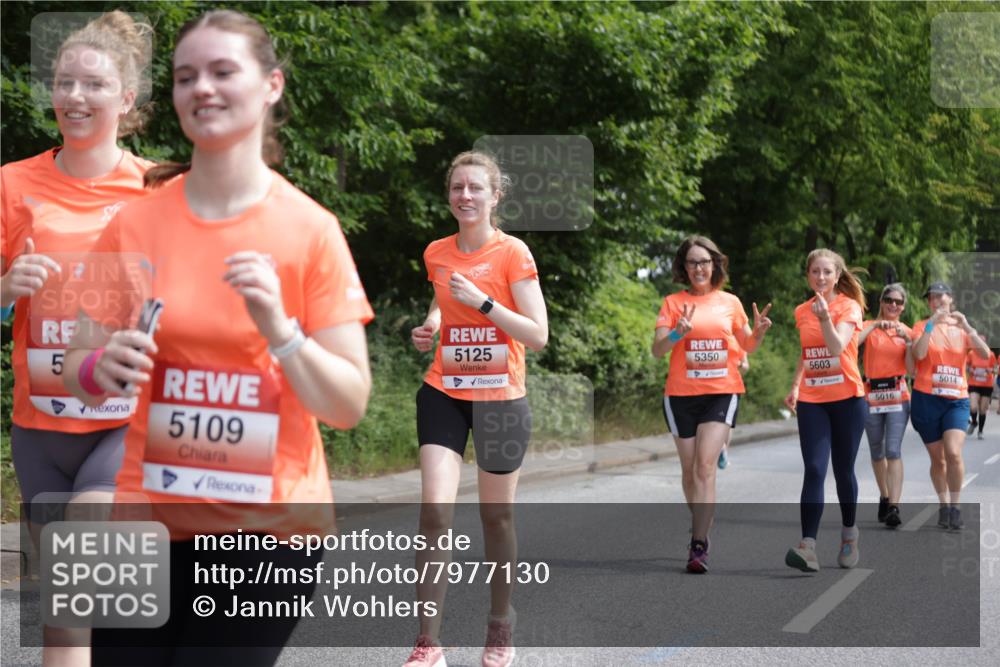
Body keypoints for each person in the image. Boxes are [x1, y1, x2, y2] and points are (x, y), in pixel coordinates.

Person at [62, 10, 373, 665]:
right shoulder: (135, 224)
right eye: (184, 76)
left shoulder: (309, 231)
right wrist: (101, 366)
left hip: (267, 533)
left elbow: (347, 404)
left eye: (222, 71)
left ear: (271, 86)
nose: (201, 87)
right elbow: (72, 375)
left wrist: (282, 333)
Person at [0, 11, 153, 666]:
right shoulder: (12, 184)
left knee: (80, 564)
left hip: (126, 424)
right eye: (63, 82)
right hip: (39, 429)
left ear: (126, 98)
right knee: (66, 624)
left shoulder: (160, 188)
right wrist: (6, 288)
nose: (74, 97)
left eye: (93, 84)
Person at [406, 151, 548, 667]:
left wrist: (485, 303)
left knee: (496, 520)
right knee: (433, 515)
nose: (465, 196)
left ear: (495, 196)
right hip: (444, 390)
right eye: (457, 187)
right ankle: (428, 643)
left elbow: (537, 334)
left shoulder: (513, 254)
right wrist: (432, 328)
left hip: (500, 400)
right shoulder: (437, 252)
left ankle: (500, 623)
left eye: (475, 188)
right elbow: (444, 301)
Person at [652, 235, 772, 573]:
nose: (698, 268)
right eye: (692, 262)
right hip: (680, 396)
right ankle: (701, 521)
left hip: (721, 391)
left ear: (715, 265)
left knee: (705, 466)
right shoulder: (673, 303)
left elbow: (747, 345)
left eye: (704, 262)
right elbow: (658, 350)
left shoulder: (730, 303)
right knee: (689, 471)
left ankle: (699, 544)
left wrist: (759, 332)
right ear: (684, 267)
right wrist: (677, 332)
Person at [784, 248, 867, 572]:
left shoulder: (849, 306)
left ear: (837, 276)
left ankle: (849, 534)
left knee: (843, 470)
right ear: (808, 275)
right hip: (812, 400)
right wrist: (795, 385)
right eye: (815, 272)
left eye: (827, 272)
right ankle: (808, 546)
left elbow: (836, 346)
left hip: (847, 398)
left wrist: (824, 318)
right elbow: (809, 353)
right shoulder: (801, 310)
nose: (820, 277)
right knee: (815, 469)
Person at [908, 283, 990, 530]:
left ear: (950, 299)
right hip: (926, 399)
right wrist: (932, 323)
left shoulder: (963, 329)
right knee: (938, 460)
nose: (935, 301)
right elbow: (919, 354)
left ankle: (955, 507)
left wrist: (966, 326)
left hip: (956, 400)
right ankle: (943, 504)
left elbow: (985, 354)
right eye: (931, 298)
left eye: (940, 297)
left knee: (953, 452)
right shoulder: (921, 326)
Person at [857, 283, 914, 528]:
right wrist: (873, 328)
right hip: (871, 393)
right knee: (876, 451)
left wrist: (908, 342)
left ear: (903, 307)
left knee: (893, 450)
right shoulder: (869, 325)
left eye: (898, 302)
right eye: (889, 300)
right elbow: (851, 344)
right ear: (881, 302)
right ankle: (884, 494)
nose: (893, 305)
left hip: (897, 394)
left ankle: (894, 506)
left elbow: (912, 369)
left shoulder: (908, 331)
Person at [718, 352, 749, 470]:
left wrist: (741, 364)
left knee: (727, 424)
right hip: (711, 388)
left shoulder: (737, 341)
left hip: (731, 388)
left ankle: (724, 450)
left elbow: (746, 366)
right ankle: (720, 448)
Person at [966, 338, 996, 440]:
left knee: (983, 409)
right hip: (974, 383)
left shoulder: (990, 354)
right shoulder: (971, 353)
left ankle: (980, 431)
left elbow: (995, 368)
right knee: (973, 407)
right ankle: (974, 422)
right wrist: (971, 371)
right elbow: (966, 366)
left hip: (987, 385)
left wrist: (989, 370)